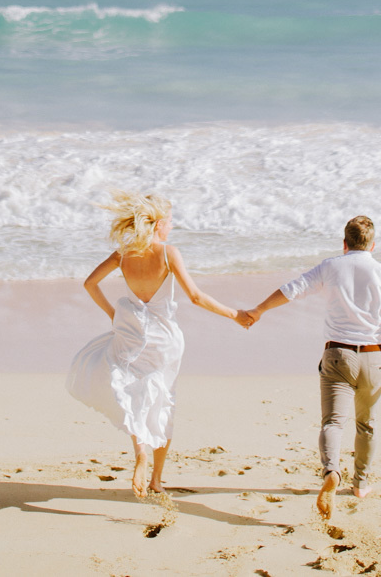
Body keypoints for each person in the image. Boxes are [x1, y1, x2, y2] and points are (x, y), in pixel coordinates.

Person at [242, 214, 381, 518]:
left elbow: (293, 289)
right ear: (373, 245)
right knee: (366, 422)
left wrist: (258, 310)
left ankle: (331, 472)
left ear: (344, 243)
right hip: (374, 358)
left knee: (333, 423)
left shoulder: (331, 267)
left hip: (338, 355)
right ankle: (361, 484)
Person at [67, 190, 250, 498]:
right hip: (163, 338)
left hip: (130, 332)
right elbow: (195, 296)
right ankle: (156, 479)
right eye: (171, 220)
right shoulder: (168, 253)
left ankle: (140, 452)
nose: (172, 226)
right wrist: (234, 314)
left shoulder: (123, 254)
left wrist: (114, 315)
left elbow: (90, 284)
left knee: (136, 394)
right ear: (159, 223)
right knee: (164, 399)